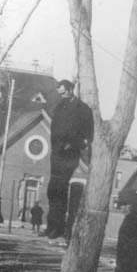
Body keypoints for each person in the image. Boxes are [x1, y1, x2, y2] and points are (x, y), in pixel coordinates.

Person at [42, 79, 93, 241]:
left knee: (61, 188)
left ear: (71, 89)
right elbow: (54, 128)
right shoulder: (59, 106)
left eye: (64, 92)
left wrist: (72, 144)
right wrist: (56, 146)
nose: (62, 96)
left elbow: (88, 136)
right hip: (56, 152)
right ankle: (52, 227)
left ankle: (58, 229)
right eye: (60, 93)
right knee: (53, 189)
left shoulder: (83, 109)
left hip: (70, 154)